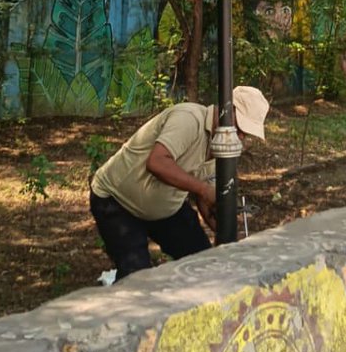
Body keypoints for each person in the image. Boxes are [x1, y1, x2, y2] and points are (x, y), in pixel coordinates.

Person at [89, 85, 270, 280]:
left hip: (165, 208)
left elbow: (205, 195)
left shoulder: (224, 145)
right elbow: (157, 162)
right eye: (240, 127)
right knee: (136, 278)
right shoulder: (189, 119)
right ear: (227, 108)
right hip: (117, 201)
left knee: (204, 262)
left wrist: (225, 234)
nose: (241, 136)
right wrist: (203, 189)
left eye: (246, 133)